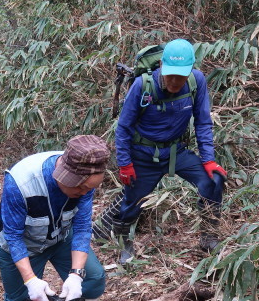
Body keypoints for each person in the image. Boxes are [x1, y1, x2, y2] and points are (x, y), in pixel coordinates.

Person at [97, 38, 227, 262]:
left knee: (213, 180)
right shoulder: (143, 85)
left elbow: (203, 122)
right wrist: (125, 163)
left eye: (181, 76)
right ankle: (125, 243)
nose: (175, 82)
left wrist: (208, 160)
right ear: (161, 67)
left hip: (177, 151)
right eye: (171, 75)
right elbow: (124, 128)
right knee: (133, 199)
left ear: (190, 71)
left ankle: (209, 236)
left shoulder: (197, 82)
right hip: (144, 153)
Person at [0, 135, 110, 301]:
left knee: (93, 278)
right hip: (23, 244)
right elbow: (13, 235)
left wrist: (76, 274)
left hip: (61, 236)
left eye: (89, 188)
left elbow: (82, 227)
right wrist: (30, 280)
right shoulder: (21, 182)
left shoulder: (88, 179)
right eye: (80, 187)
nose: (85, 193)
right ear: (63, 175)